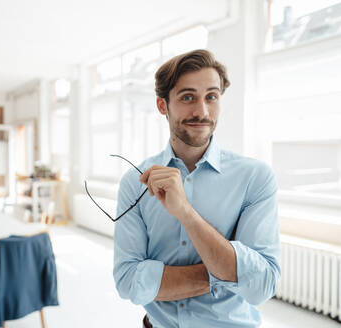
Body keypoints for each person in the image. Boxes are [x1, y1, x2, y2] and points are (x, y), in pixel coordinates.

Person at [113, 49, 281, 328]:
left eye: (211, 97)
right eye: (187, 97)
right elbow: (129, 282)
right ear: (162, 105)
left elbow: (261, 286)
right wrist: (225, 272)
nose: (201, 111)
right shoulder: (135, 182)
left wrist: (186, 214)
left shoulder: (255, 177)